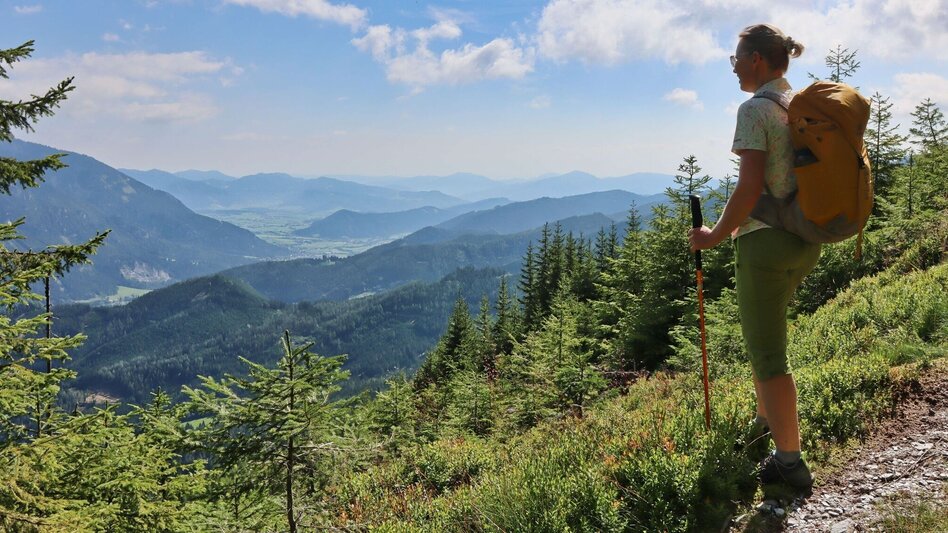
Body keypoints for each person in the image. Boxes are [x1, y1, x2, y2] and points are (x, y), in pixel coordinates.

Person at [687, 23, 819, 491]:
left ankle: (790, 464)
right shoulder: (797, 104)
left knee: (768, 354)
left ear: (757, 60)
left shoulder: (755, 109)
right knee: (767, 337)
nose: (735, 67)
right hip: (805, 239)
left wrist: (714, 235)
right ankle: (766, 420)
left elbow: (748, 188)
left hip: (765, 243)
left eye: (736, 59)